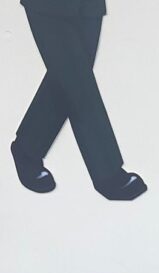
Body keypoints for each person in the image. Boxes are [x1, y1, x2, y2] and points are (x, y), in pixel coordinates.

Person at [12, 0, 147, 200]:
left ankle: (27, 148)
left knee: (68, 80)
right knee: (79, 84)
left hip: (89, 6)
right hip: (47, 6)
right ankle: (107, 174)